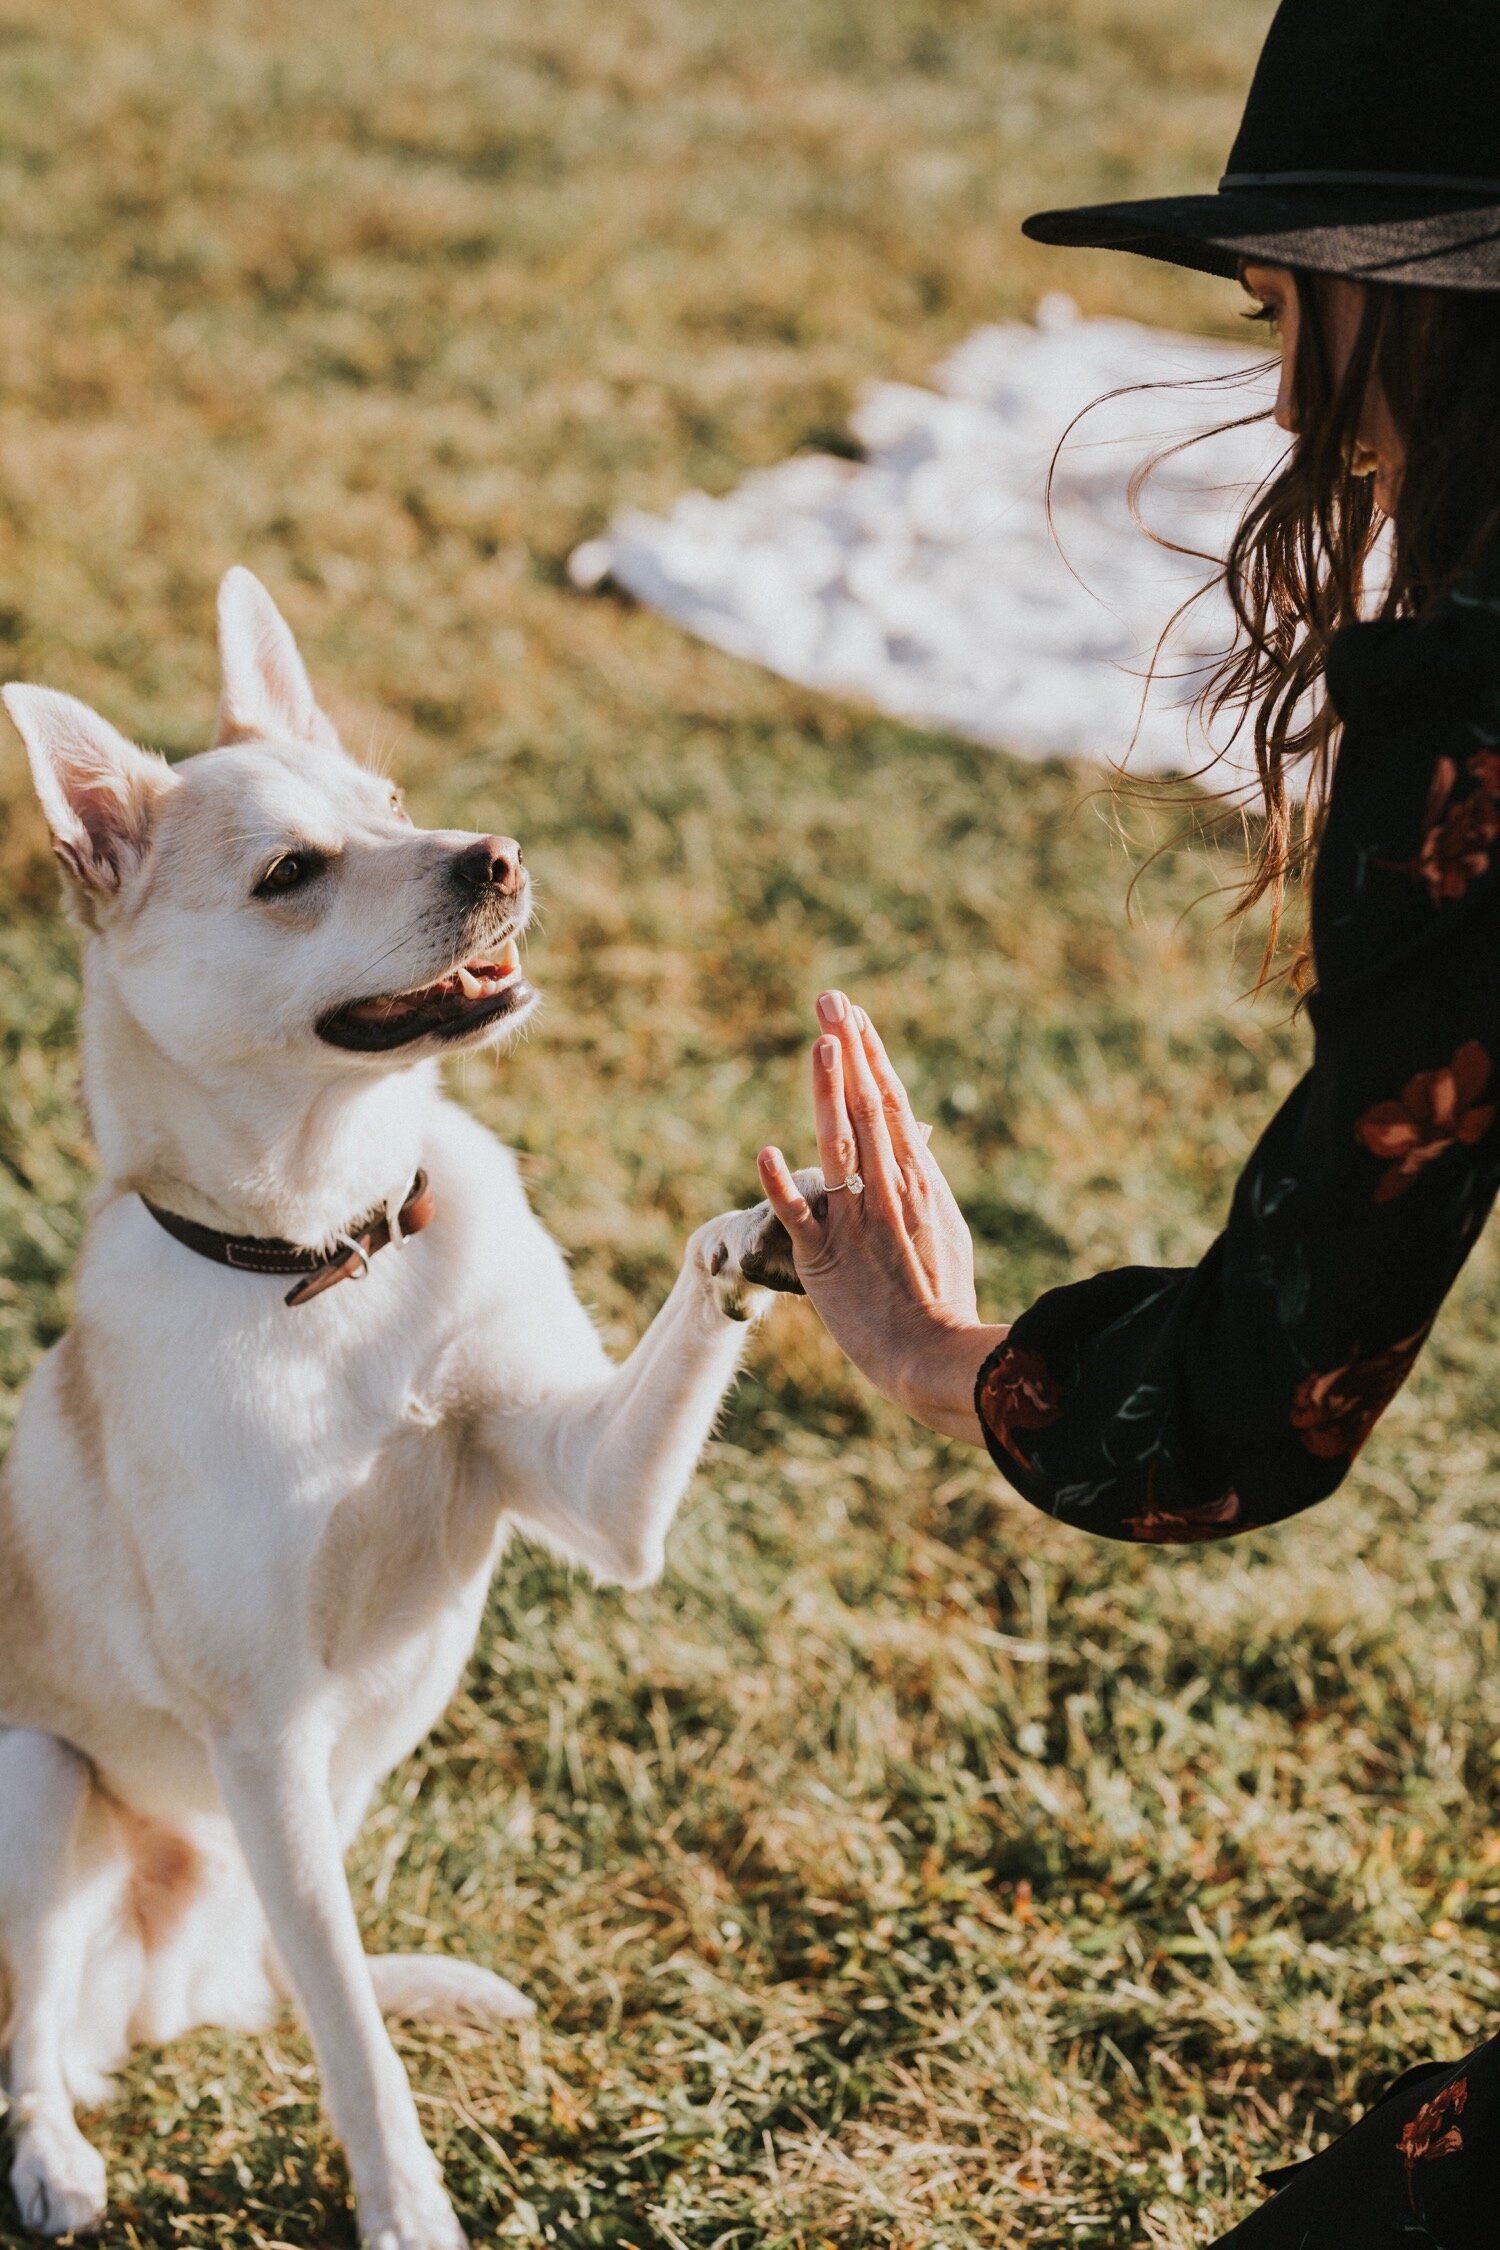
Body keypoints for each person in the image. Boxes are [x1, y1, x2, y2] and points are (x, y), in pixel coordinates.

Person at [754, 2, 1500, 2241]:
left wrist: (952, 1360)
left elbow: (1268, 1388)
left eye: (1293, 309)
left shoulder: (1474, 734)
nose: (1287, 396)